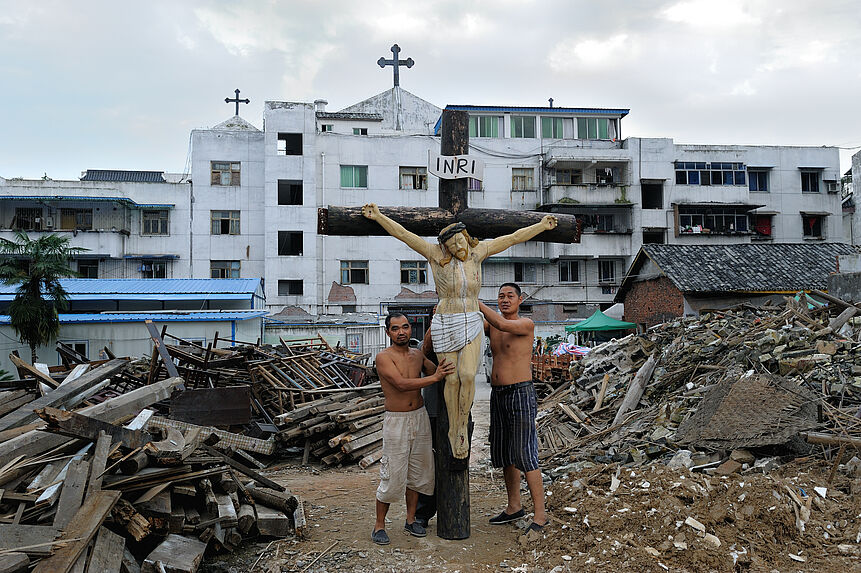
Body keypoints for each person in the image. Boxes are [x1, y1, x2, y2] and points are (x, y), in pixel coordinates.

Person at [362, 203, 557, 459]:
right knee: (450, 379)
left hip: (471, 319)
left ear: (465, 238)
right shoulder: (434, 254)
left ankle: (460, 425)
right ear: (445, 247)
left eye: (460, 244)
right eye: (452, 247)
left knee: (467, 374)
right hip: (445, 319)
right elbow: (403, 235)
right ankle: (454, 429)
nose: (458, 250)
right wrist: (378, 217)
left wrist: (541, 226)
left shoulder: (479, 251)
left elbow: (512, 238)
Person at [372, 312, 454, 545]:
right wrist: (436, 377)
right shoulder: (383, 357)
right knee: (392, 473)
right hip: (396, 420)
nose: (401, 332)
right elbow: (401, 384)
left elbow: (434, 369)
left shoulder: (417, 355)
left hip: (420, 417)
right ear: (388, 332)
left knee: (418, 471)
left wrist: (439, 328)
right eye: (396, 328)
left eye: (405, 327)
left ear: (411, 329)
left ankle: (411, 520)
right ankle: (379, 526)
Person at [479, 283, 547, 532]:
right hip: (498, 394)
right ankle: (514, 506)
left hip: (520, 392)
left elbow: (503, 324)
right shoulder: (491, 327)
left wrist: (474, 302)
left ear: (520, 300)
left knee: (525, 453)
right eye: (501, 296)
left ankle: (540, 516)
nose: (505, 300)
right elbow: (478, 327)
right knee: (505, 453)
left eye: (510, 296)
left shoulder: (524, 324)